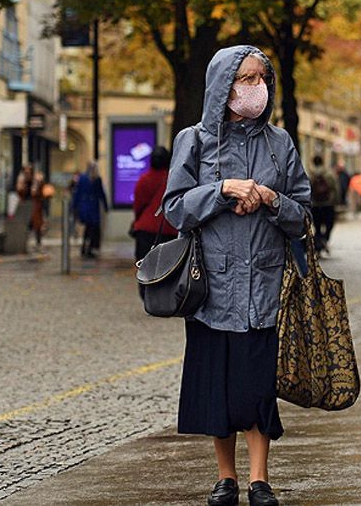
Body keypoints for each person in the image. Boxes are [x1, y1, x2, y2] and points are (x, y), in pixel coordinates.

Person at [163, 45, 310, 506]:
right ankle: (226, 477)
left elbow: (303, 216)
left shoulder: (280, 143)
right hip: (211, 287)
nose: (255, 88)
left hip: (264, 288)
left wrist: (271, 199)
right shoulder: (194, 141)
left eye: (261, 78)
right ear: (223, 86)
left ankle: (260, 479)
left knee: (257, 387)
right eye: (246, 79)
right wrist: (222, 190)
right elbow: (173, 209)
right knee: (218, 390)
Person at [131, 146, 178, 262]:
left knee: (145, 269)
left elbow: (138, 205)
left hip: (145, 230)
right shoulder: (173, 179)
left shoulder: (144, 179)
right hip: (169, 229)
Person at [73, 161, 109, 258]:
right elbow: (101, 194)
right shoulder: (96, 179)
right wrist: (106, 206)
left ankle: (85, 247)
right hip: (92, 207)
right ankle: (89, 248)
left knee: (88, 228)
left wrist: (74, 206)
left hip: (86, 206)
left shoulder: (83, 178)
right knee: (92, 228)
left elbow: (77, 193)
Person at [307, 155, 338, 254]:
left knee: (317, 226)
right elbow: (335, 188)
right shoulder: (328, 174)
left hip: (315, 205)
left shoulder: (310, 175)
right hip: (328, 204)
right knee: (329, 224)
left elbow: (307, 190)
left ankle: (319, 246)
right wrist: (335, 201)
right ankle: (324, 239)